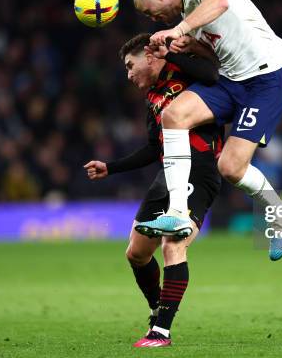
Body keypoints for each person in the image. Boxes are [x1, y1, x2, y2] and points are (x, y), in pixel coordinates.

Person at [133, 0, 282, 260]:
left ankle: (279, 212)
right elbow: (216, 60)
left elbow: (219, 1)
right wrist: (192, 47)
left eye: (150, 12)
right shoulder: (188, 22)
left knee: (231, 167)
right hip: (232, 81)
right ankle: (178, 212)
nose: (153, 20)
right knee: (174, 116)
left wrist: (180, 31)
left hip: (265, 81)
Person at [84, 33, 222, 348]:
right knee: (135, 253)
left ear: (149, 57)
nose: (129, 74)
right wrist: (111, 167)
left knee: (172, 245)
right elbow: (152, 147)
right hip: (167, 175)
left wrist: (169, 55)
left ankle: (161, 331)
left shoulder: (186, 74)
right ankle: (156, 309)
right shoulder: (154, 97)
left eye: (131, 66)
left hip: (198, 170)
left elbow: (212, 75)